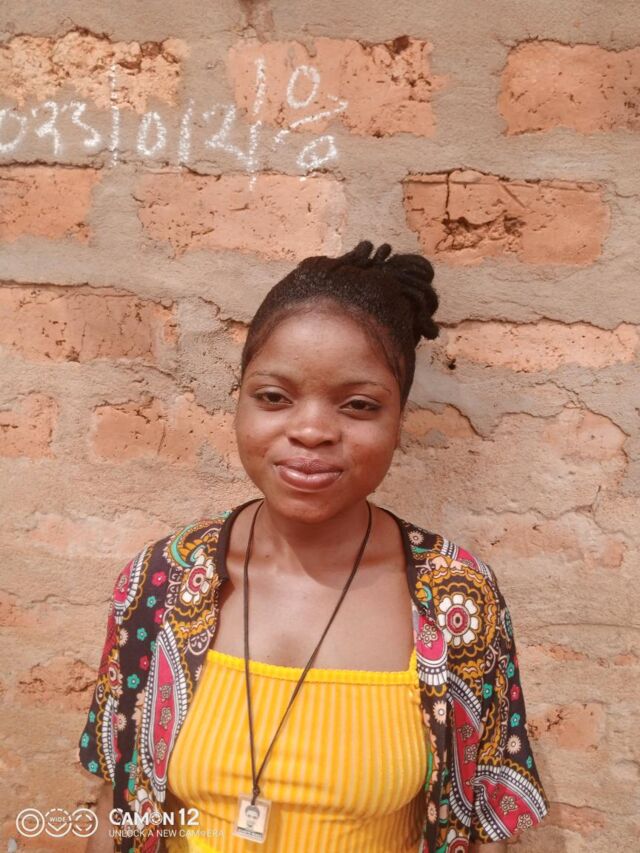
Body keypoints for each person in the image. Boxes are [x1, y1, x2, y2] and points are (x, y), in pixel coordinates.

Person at [78, 241, 550, 853]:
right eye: (274, 397)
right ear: (239, 401)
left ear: (399, 419)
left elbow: (483, 830)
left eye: (359, 405)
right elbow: (115, 803)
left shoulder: (456, 597)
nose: (310, 431)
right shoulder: (162, 581)